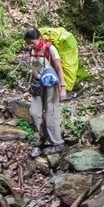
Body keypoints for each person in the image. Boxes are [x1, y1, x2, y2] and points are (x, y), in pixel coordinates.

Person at [24, 28, 67, 156]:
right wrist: (30, 83)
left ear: (39, 38)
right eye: (28, 43)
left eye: (32, 42)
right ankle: (44, 136)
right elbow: (34, 68)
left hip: (51, 85)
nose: (30, 45)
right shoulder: (32, 50)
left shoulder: (50, 49)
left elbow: (59, 68)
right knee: (34, 112)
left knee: (51, 113)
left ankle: (58, 143)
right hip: (37, 84)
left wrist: (63, 87)